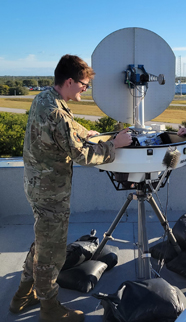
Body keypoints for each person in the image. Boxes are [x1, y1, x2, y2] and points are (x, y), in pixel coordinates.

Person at [10, 54, 132, 322]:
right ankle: (50, 308)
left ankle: (22, 294)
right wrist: (115, 145)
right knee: (50, 252)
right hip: (51, 191)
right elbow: (81, 156)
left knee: (43, 242)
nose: (84, 90)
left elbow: (66, 128)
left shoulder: (45, 98)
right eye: (83, 85)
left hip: (38, 185)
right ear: (69, 81)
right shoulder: (57, 113)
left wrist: (85, 132)